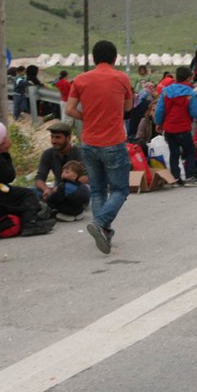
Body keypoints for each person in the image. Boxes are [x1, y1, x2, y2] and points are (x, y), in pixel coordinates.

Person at [66, 40, 133, 255]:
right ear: (114, 58)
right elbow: (128, 108)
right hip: (113, 141)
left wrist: (87, 117)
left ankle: (104, 230)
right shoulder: (122, 78)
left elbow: (69, 110)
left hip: (89, 142)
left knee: (97, 190)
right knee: (120, 189)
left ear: (93, 58)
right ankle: (102, 223)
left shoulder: (80, 79)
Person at [154, 66, 197, 187]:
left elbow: (160, 110)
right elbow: (196, 113)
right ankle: (190, 177)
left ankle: (175, 178)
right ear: (188, 78)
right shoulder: (191, 93)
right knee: (190, 152)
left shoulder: (166, 91)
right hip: (184, 128)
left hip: (169, 129)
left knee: (174, 153)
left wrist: (158, 123)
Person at [34, 120, 87, 219]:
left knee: (84, 191)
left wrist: (63, 188)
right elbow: (39, 178)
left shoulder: (79, 153)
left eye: (58, 137)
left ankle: (58, 208)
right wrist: (46, 189)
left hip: (74, 190)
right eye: (52, 137)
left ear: (68, 138)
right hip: (57, 190)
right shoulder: (48, 154)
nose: (54, 141)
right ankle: (59, 208)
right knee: (30, 192)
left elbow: (86, 177)